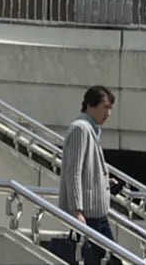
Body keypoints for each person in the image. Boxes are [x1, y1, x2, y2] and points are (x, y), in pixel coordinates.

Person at [55, 84, 116, 264]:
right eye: (105, 107)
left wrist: (106, 183)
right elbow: (72, 171)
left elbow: (85, 172)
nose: (108, 113)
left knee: (109, 258)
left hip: (96, 212)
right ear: (90, 105)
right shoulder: (80, 129)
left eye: (110, 108)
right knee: (107, 259)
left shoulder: (91, 130)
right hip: (87, 213)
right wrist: (76, 211)